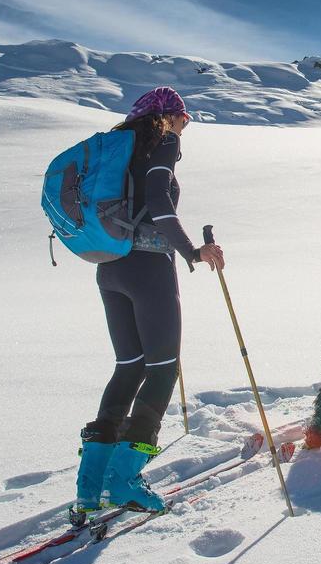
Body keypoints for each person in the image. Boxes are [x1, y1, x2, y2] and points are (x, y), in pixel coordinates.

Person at [72, 86, 225, 525]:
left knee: (129, 366)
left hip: (110, 268)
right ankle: (123, 480)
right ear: (169, 116)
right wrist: (192, 251)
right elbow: (159, 203)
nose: (186, 124)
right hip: (148, 270)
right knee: (162, 369)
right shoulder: (163, 142)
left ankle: (90, 487)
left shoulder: (119, 149)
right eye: (184, 116)